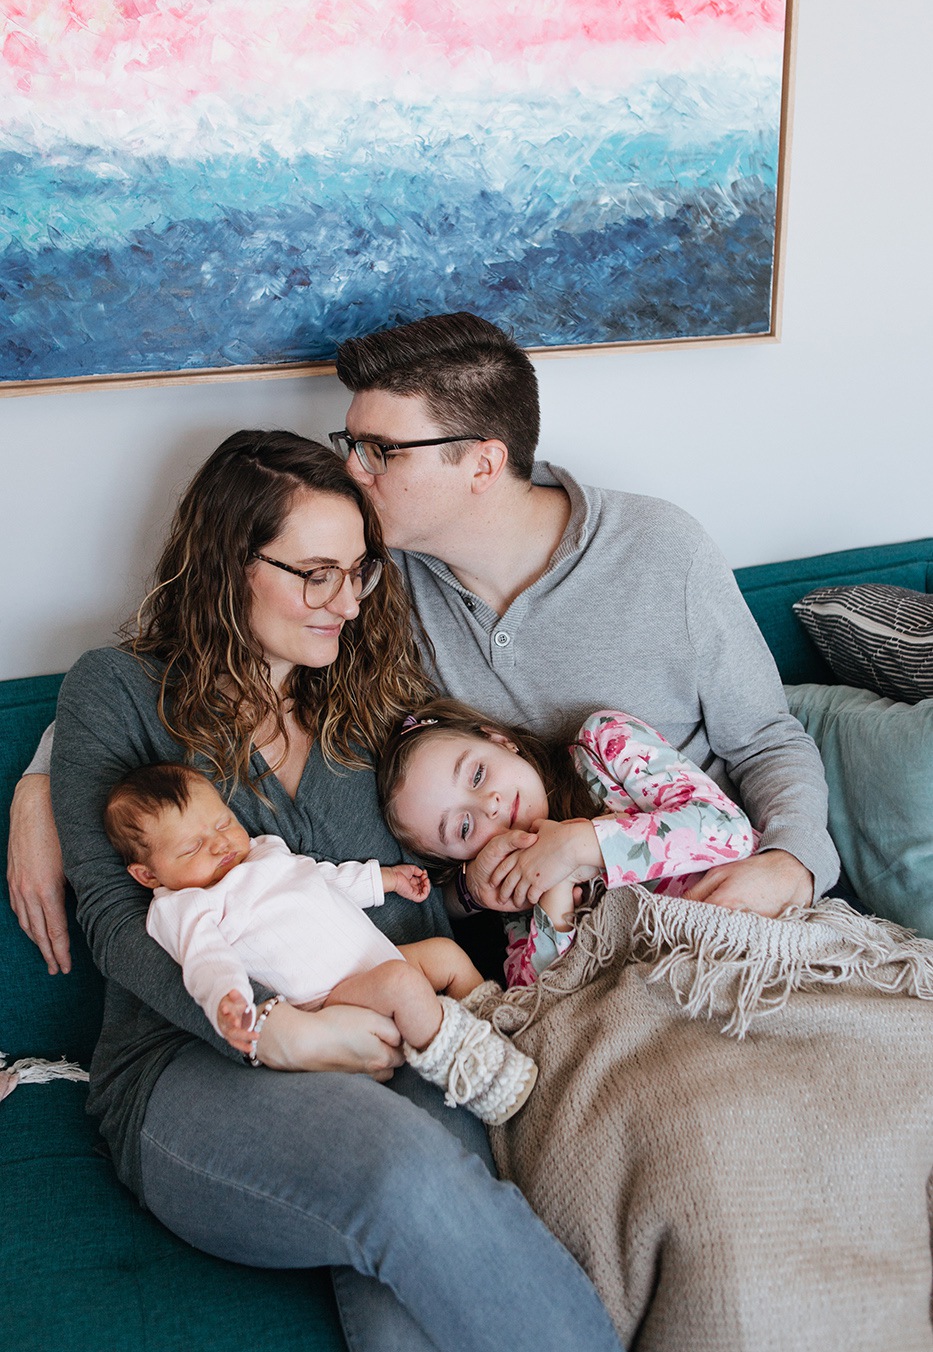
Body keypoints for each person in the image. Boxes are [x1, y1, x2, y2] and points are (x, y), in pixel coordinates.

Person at [29, 430, 623, 1352]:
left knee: (420, 1236)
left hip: (398, 1028)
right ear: (229, 562)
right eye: (315, 574)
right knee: (403, 1178)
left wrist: (513, 877)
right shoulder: (119, 692)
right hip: (192, 1069)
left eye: (358, 572)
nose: (344, 602)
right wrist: (279, 1032)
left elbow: (432, 873)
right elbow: (115, 921)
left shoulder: (372, 693)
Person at [10, 309, 838, 941]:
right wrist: (41, 784)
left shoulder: (660, 549)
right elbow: (190, 642)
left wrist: (789, 865)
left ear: (481, 462)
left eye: (380, 450)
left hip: (712, 894)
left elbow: (766, 737)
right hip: (565, 942)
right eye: (351, 443)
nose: (350, 469)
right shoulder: (371, 586)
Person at [104, 761, 536, 1123]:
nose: (220, 844)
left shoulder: (262, 851)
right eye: (193, 846)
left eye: (223, 823)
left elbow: (322, 879)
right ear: (149, 874)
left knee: (445, 954)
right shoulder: (186, 906)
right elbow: (206, 961)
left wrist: (382, 880)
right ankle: (474, 1071)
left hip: (374, 962)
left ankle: (491, 1018)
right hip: (330, 1000)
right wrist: (228, 1000)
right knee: (403, 985)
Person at [378, 699, 757, 987]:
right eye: (463, 827)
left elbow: (729, 831)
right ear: (459, 860)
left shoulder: (603, 745)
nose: (488, 806)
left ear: (501, 741)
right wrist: (554, 894)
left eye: (477, 774)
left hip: (754, 926)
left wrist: (579, 845)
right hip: (678, 990)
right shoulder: (517, 897)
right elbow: (541, 1006)